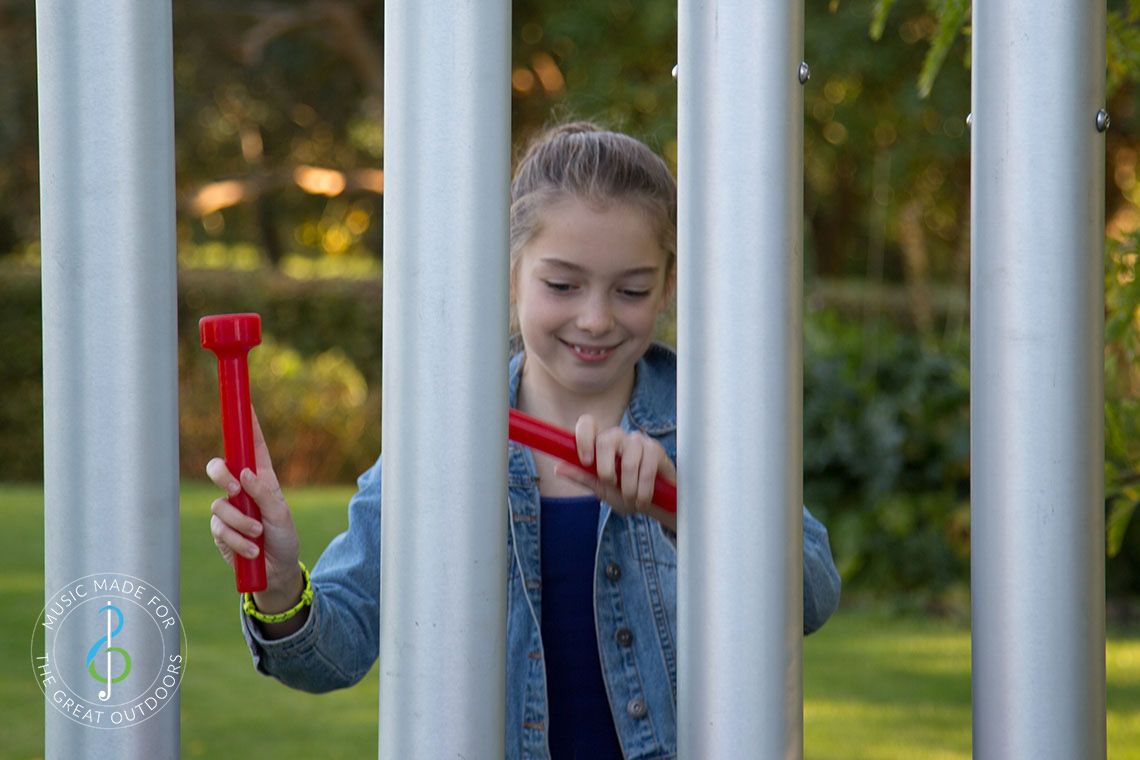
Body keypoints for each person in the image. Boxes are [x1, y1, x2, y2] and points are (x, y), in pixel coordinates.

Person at [207, 122, 841, 759]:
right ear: (511, 277)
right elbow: (330, 656)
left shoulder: (717, 423)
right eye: (562, 285)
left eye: (632, 290)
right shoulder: (442, 436)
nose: (595, 318)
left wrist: (681, 506)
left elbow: (812, 595)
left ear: (668, 287)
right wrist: (281, 581)